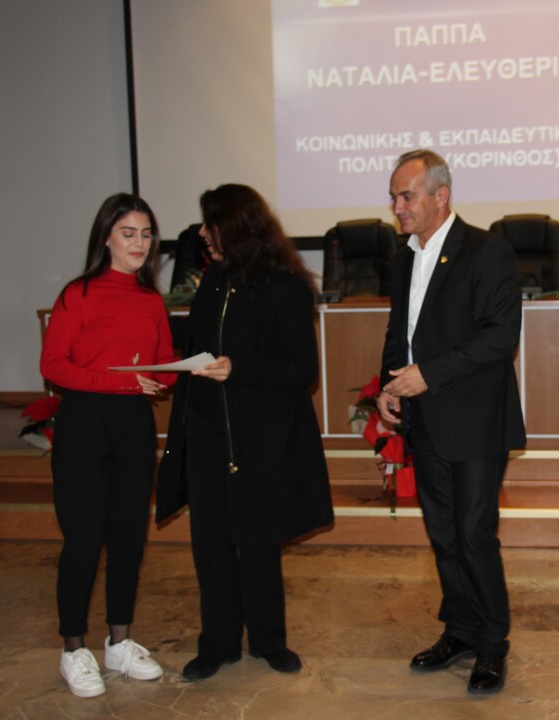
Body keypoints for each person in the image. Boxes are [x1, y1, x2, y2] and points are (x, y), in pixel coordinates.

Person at [155, 183, 333, 682]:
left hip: (260, 438)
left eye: (210, 224)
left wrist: (239, 367)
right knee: (210, 545)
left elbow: (302, 369)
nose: (201, 233)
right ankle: (217, 645)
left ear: (234, 228)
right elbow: (200, 341)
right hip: (207, 432)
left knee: (259, 544)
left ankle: (269, 642)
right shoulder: (214, 279)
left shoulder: (286, 286)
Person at [377, 149, 526, 695]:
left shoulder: (487, 250)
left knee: (473, 534)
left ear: (441, 196)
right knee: (443, 534)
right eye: (394, 197)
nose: (397, 207)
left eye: (406, 196)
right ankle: (460, 630)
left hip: (475, 420)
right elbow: (400, 331)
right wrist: (389, 384)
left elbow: (498, 337)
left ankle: (491, 643)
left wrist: (427, 375)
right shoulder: (403, 258)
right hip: (425, 418)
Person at [40, 193, 177, 698]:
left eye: (146, 235)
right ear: (106, 237)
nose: (139, 243)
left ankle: (119, 641)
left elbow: (163, 364)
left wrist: (187, 368)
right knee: (83, 539)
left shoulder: (151, 300)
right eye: (128, 233)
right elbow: (53, 366)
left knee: (127, 539)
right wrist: (120, 380)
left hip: (134, 426)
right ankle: (73, 648)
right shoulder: (78, 293)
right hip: (84, 424)